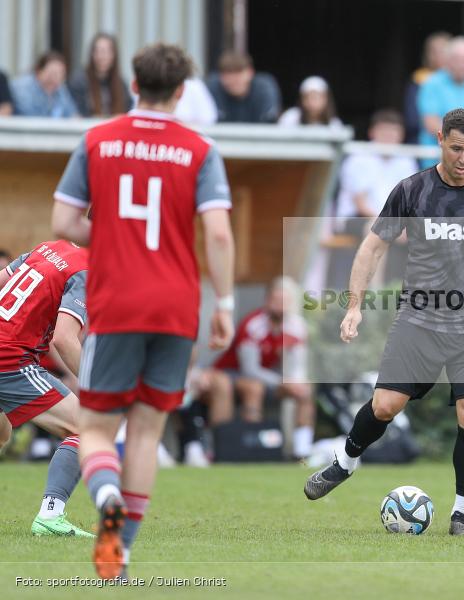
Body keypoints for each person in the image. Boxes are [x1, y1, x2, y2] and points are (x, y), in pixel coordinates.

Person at [50, 43, 235, 579]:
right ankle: (121, 549)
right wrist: (223, 302)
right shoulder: (200, 149)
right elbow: (219, 232)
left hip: (116, 301)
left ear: (133, 85)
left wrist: (110, 237)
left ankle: (104, 496)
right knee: (148, 432)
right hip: (177, 306)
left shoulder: (97, 140)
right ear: (181, 92)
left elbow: (63, 222)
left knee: (98, 430)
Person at [304, 109, 464, 538]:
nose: (463, 158)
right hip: (418, 321)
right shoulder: (412, 191)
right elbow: (372, 248)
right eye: (456, 148)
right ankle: (345, 463)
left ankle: (462, 514)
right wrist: (354, 304)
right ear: (439, 140)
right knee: (385, 406)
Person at [0, 241, 92, 537]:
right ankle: (50, 516)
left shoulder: (49, 247)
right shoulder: (87, 270)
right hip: (9, 359)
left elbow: (3, 279)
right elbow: (64, 340)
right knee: (86, 428)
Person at [212, 277, 315, 460]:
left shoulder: (296, 326)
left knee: (305, 390)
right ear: (267, 300)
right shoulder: (252, 324)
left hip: (273, 380)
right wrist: (282, 382)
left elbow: (298, 364)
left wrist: (295, 383)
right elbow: (249, 369)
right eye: (276, 300)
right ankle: (252, 448)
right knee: (254, 388)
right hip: (235, 374)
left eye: (285, 301)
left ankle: (302, 452)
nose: (280, 306)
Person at [417, 37, 464, 151]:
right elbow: (431, 124)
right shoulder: (432, 83)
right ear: (448, 60)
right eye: (459, 60)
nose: (463, 65)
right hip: (437, 159)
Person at [206, 51, 281, 123]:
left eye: (238, 72)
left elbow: (268, 124)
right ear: (220, 76)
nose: (233, 79)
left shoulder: (264, 88)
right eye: (228, 73)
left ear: (250, 72)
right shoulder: (212, 88)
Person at [403, 31, 451, 144]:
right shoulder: (420, 79)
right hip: (424, 140)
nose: (438, 56)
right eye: (434, 52)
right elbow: (413, 119)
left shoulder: (462, 83)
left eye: (443, 51)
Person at [69, 33, 131, 117]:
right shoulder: (80, 81)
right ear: (92, 54)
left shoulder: (121, 83)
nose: (101, 56)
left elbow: (127, 111)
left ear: (114, 55)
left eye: (105, 52)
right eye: (96, 51)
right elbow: (79, 113)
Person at [11, 51, 79, 118]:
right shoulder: (23, 87)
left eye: (60, 73)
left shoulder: (60, 89)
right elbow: (31, 117)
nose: (56, 78)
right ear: (39, 71)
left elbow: (73, 115)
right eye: (52, 73)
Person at [278, 76, 342, 128]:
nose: (312, 102)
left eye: (316, 97)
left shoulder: (334, 124)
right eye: (308, 97)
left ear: (325, 99)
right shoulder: (290, 117)